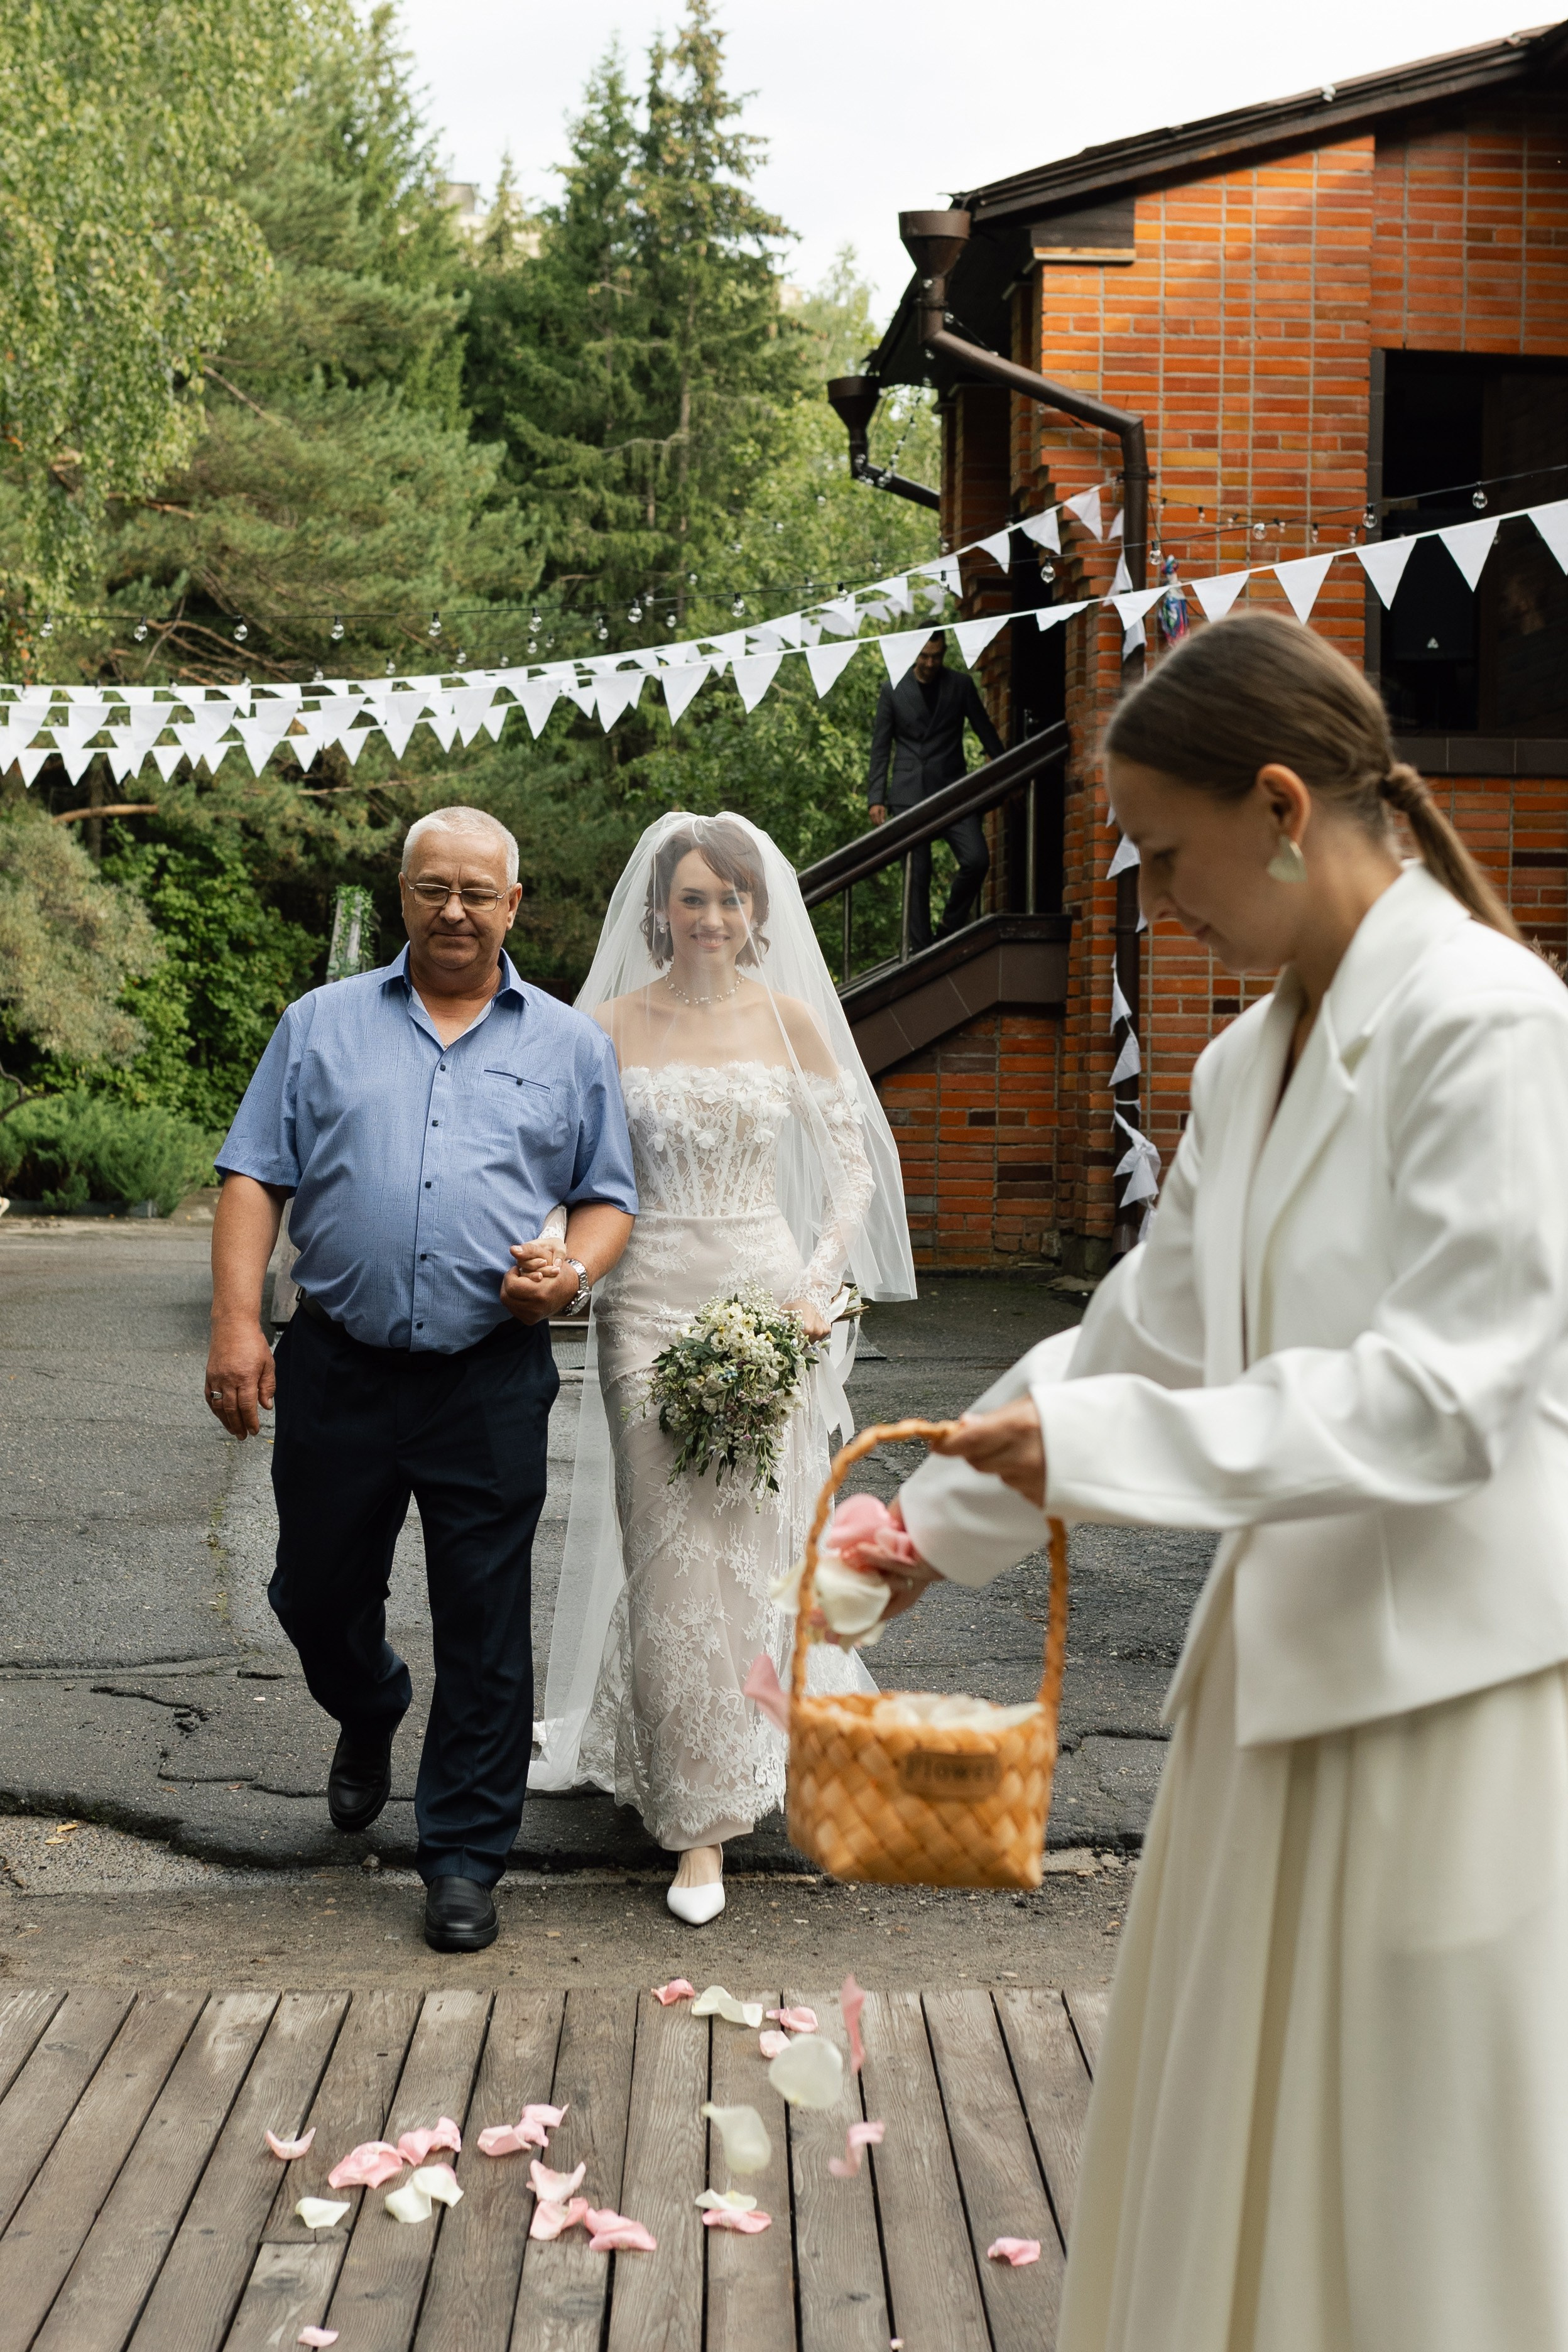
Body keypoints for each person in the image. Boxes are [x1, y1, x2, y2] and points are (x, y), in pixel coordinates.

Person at [858, 612, 1568, 2350]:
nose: (1157, 897)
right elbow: (1144, 1340)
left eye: (1168, 856)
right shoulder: (1251, 1056)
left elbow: (1450, 1392)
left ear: (1278, 805)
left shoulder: (1490, 1019)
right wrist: (910, 1540)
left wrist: (1095, 1456)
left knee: (1420, 2173)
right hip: (1275, 1675)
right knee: (1226, 2136)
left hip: (1453, 1690)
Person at [206, 806, 637, 1955]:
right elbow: (254, 1171)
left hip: (488, 1373)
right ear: (404, 897)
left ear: (512, 903)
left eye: (475, 891)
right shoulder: (320, 1024)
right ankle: (370, 1700)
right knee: (310, 1592)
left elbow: (608, 1196)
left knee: (486, 1622)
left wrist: (572, 1271)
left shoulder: (567, 1043)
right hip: (335, 1362)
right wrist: (238, 1324)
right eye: (432, 887)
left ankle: (461, 1853)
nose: (454, 909)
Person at [525, 812, 915, 1924]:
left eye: (731, 899)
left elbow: (851, 1176)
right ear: (661, 909)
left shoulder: (789, 1018)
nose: (712, 918)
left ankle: (773, 1754)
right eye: (693, 898)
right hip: (644, 1299)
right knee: (671, 1550)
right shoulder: (603, 1026)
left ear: (757, 912)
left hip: (764, 1293)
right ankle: (698, 1826)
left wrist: (816, 1291)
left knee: (757, 1541)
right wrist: (557, 1249)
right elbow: (569, 1170)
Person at [866, 630, 1004, 951]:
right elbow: (880, 748)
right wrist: (876, 798)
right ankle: (920, 949)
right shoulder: (893, 688)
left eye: (936, 656)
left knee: (976, 859)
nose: (930, 663)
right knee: (918, 874)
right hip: (908, 794)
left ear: (944, 654)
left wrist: (1005, 767)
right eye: (924, 656)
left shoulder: (960, 685)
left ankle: (949, 926)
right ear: (915, 652)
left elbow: (986, 732)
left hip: (952, 790)